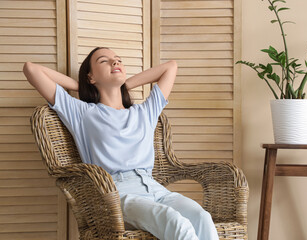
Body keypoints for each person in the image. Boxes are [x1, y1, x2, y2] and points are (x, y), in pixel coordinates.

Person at [23, 47, 219, 240]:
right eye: (104, 61)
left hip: (155, 188)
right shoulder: (82, 112)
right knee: (175, 222)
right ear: (91, 77)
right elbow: (31, 69)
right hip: (118, 194)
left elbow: (171, 67)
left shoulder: (145, 112)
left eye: (118, 59)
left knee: (202, 217)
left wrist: (122, 83)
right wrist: (81, 86)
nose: (115, 62)